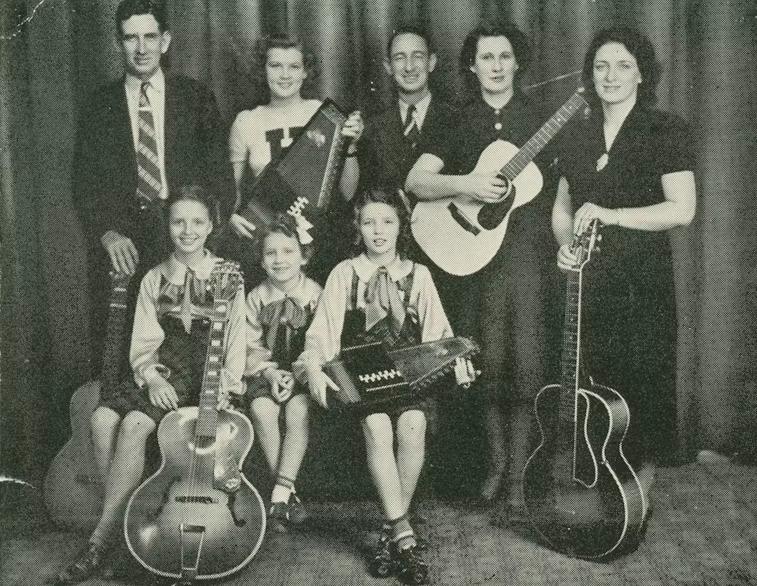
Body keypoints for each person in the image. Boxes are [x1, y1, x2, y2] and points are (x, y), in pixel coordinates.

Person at [56, 185, 247, 584]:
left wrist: (227, 383)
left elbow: (236, 340)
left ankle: (101, 538)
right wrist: (152, 376)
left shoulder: (227, 276)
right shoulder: (155, 278)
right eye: (179, 221)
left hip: (205, 379)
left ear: (212, 226)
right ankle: (127, 525)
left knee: (134, 425)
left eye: (197, 222)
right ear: (168, 226)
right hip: (167, 373)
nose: (188, 230)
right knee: (102, 417)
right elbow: (144, 344)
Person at [406, 21, 559, 513]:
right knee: (485, 365)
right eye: (486, 58)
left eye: (504, 57)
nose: (495, 66)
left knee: (527, 366)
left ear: (517, 63)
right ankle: (495, 464)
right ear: (471, 67)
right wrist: (467, 184)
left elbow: (566, 185)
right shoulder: (454, 118)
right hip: (472, 259)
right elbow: (417, 182)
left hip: (528, 259)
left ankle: (518, 476)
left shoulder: (541, 118)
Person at [300, 189, 474, 585]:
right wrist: (314, 367)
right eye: (368, 222)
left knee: (412, 425)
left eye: (388, 222)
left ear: (401, 227)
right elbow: (321, 333)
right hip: (364, 378)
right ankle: (404, 535)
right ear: (357, 229)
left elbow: (439, 337)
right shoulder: (345, 272)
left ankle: (390, 529)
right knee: (378, 427)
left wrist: (458, 361)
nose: (378, 231)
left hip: (409, 377)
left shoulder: (419, 274)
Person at [552, 27, 695, 475]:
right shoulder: (577, 134)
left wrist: (612, 215)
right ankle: (599, 487)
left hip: (642, 283)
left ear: (641, 75)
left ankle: (635, 500)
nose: (610, 76)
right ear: (590, 75)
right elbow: (562, 207)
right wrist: (565, 248)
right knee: (594, 388)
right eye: (601, 66)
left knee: (642, 390)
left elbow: (683, 209)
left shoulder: (664, 128)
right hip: (589, 284)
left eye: (623, 65)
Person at [73, 0, 233, 376]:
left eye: (149, 37)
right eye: (131, 38)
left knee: (189, 348)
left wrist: (199, 234)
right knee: (124, 354)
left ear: (166, 40)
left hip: (183, 233)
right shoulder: (99, 106)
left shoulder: (195, 98)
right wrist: (107, 233)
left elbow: (220, 178)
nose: (141, 48)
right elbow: (83, 184)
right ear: (118, 44)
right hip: (125, 242)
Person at [226, 33, 363, 286]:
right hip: (268, 245)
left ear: (305, 72)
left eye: (294, 66)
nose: (285, 75)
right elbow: (231, 191)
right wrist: (231, 216)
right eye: (275, 65)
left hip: (320, 241)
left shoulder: (323, 114)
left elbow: (346, 192)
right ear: (263, 70)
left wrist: (351, 147)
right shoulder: (246, 121)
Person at [245, 214, 322, 533]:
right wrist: (270, 373)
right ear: (261, 261)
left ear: (304, 255)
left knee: (297, 409)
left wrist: (298, 373)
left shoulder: (317, 293)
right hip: (267, 373)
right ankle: (287, 493)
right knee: (261, 408)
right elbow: (248, 345)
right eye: (270, 253)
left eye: (288, 252)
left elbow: (321, 341)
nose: (279, 260)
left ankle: (279, 491)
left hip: (304, 372)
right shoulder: (255, 297)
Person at [359, 23, 456, 193]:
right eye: (399, 58)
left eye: (417, 56)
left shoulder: (457, 118)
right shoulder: (372, 125)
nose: (409, 67)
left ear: (431, 62)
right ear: (388, 67)